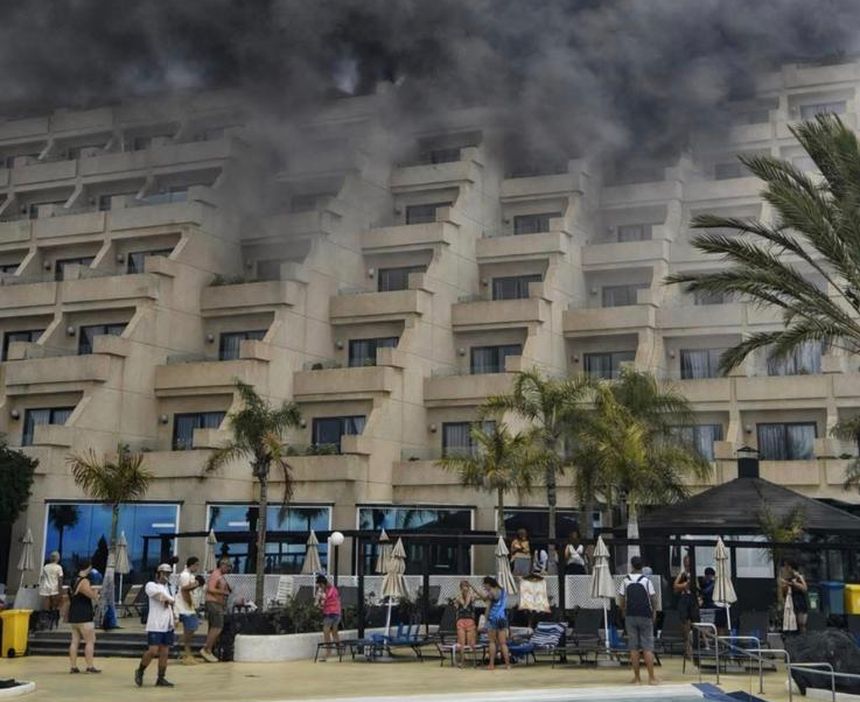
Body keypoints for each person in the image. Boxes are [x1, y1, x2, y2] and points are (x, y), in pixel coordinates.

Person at [618, 556, 659, 685]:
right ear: (642, 566)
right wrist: (654, 612)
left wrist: (623, 610)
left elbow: (621, 599)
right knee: (647, 647)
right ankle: (651, 678)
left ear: (631, 565)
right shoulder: (646, 581)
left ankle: (637, 678)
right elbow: (653, 599)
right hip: (645, 615)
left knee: (634, 648)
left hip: (631, 615)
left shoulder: (626, 581)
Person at [135, 563, 176, 688]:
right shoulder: (151, 585)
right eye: (164, 573)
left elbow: (172, 601)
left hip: (168, 623)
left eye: (168, 574)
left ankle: (161, 677)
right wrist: (168, 599)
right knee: (153, 650)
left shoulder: (170, 588)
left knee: (165, 651)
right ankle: (140, 670)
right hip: (155, 623)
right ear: (158, 574)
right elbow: (161, 597)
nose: (166, 576)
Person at [470, 576, 510, 670]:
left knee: (492, 642)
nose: (485, 588)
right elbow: (486, 599)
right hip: (502, 618)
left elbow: (486, 602)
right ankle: (507, 665)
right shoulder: (503, 591)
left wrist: (486, 619)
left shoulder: (492, 592)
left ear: (488, 584)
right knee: (503, 643)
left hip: (493, 619)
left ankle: (491, 664)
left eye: (485, 586)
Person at [67, 560, 100, 674]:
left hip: (74, 614)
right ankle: (90, 666)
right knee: (90, 641)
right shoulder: (84, 581)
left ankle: (73, 666)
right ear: (87, 568)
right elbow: (92, 596)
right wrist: (96, 588)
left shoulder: (73, 580)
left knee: (75, 641)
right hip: (84, 614)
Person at [200, 557, 232, 663]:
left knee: (215, 626)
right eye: (227, 567)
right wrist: (223, 593)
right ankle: (206, 648)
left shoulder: (221, 576)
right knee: (217, 626)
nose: (228, 569)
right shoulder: (216, 574)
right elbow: (210, 588)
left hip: (218, 604)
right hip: (213, 603)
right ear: (222, 565)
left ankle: (210, 649)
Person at [175, 556, 205, 665]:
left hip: (188, 607)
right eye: (196, 565)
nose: (197, 567)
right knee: (190, 629)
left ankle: (183, 648)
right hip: (185, 608)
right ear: (191, 565)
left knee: (191, 629)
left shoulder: (189, 576)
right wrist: (190, 604)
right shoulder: (185, 575)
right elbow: (185, 590)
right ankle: (185, 652)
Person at [673, 554, 698, 657]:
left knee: (695, 624)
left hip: (692, 600)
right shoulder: (682, 574)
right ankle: (688, 648)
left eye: (689, 563)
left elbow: (696, 587)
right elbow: (675, 587)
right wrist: (683, 585)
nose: (687, 565)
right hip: (684, 599)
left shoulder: (694, 574)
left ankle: (694, 648)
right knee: (685, 625)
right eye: (686, 563)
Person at [316, 574, 341, 661]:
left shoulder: (327, 591)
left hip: (330, 613)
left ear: (322, 583)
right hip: (337, 613)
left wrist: (319, 602)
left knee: (326, 631)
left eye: (319, 585)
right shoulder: (334, 589)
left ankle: (328, 652)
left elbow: (324, 601)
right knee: (334, 632)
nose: (319, 587)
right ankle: (339, 651)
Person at [453, 580, 477, 667]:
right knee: (462, 642)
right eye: (464, 587)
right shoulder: (460, 597)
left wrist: (467, 596)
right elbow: (464, 605)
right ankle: (464, 662)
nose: (465, 588)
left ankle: (468, 662)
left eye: (466, 587)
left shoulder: (468, 596)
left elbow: (465, 605)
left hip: (466, 620)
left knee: (469, 642)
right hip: (464, 620)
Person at [782, 559, 809, 633]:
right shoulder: (789, 578)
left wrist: (794, 583)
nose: (785, 568)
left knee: (801, 623)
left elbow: (804, 588)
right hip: (792, 602)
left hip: (800, 602)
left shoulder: (798, 577)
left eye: (786, 566)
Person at [39, 551, 64, 629]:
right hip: (54, 588)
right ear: (58, 558)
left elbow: (42, 577)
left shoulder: (45, 567)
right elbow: (60, 579)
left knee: (46, 606)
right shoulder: (58, 567)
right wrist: (61, 591)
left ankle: (45, 622)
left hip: (45, 588)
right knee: (54, 606)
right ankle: (53, 623)